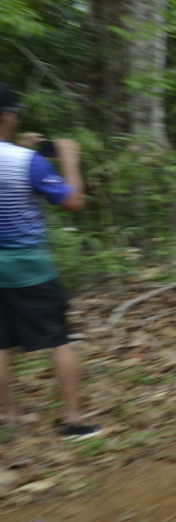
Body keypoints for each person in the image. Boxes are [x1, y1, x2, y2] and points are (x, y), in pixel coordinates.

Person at [0, 83, 100, 439]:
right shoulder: (28, 162)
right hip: (27, 266)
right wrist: (70, 162)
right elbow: (72, 202)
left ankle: (8, 415)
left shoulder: (20, 158)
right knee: (58, 337)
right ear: (9, 116)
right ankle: (73, 420)